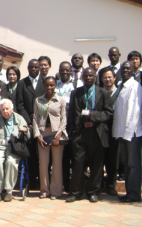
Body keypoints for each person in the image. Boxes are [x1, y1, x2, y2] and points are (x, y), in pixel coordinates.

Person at [66, 68, 113, 203]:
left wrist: (92, 115)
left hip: (97, 132)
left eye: (91, 75)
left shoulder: (103, 93)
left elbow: (108, 114)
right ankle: (75, 192)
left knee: (96, 164)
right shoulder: (76, 93)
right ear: (82, 77)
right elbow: (72, 115)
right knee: (78, 163)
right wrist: (72, 133)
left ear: (95, 77)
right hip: (80, 133)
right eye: (85, 75)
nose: (88, 78)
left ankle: (93, 192)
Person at [0, 99, 30, 202]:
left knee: (11, 162)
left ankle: (9, 191)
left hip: (14, 146)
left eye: (7, 109)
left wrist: (25, 131)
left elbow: (27, 135)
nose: (5, 111)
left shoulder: (19, 119)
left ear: (12, 109)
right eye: (3, 109)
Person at [113, 61, 142, 203]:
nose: (125, 70)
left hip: (132, 133)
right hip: (123, 133)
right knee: (126, 164)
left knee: (133, 164)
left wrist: (128, 133)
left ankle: (134, 194)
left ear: (133, 70)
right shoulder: (120, 85)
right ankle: (129, 192)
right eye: (123, 68)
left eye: (128, 68)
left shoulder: (135, 86)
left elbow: (133, 111)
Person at [32, 77, 68, 200]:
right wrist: (38, 136)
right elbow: (35, 119)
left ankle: (56, 191)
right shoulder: (38, 100)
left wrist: (58, 136)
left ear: (55, 86)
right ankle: (44, 190)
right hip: (43, 134)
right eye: (47, 85)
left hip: (57, 133)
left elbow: (64, 120)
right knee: (43, 163)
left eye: (52, 85)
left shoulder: (61, 100)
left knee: (57, 164)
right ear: (44, 86)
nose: (49, 88)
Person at [15, 59, 45, 190]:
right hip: (29, 125)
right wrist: (29, 121)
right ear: (27, 68)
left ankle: (43, 181)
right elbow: (19, 104)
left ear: (40, 68)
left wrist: (39, 118)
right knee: (32, 153)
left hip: (43, 123)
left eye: (36, 67)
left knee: (43, 154)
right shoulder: (22, 83)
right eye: (31, 67)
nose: (34, 69)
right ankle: (32, 181)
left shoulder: (45, 82)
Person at [56, 61, 81, 193]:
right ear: (59, 71)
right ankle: (65, 184)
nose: (65, 72)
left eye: (67, 70)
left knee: (75, 155)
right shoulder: (55, 85)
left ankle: (75, 185)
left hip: (73, 123)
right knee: (63, 157)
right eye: (62, 70)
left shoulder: (77, 84)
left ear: (71, 71)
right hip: (59, 124)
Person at [99, 67, 120, 196]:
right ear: (101, 79)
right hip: (101, 131)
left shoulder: (120, 92)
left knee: (113, 160)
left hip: (115, 131)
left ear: (114, 78)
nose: (107, 79)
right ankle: (100, 184)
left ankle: (111, 185)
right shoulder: (99, 93)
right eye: (105, 77)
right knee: (100, 159)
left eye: (109, 77)